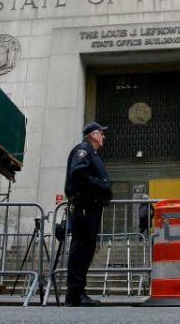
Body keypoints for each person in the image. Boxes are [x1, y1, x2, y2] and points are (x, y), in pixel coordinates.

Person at [63, 122, 112, 306]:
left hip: (91, 207)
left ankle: (79, 292)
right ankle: (74, 295)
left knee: (87, 249)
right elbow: (79, 173)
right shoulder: (83, 150)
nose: (103, 137)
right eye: (101, 133)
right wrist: (101, 185)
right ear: (92, 135)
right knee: (81, 249)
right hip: (84, 206)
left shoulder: (93, 153)